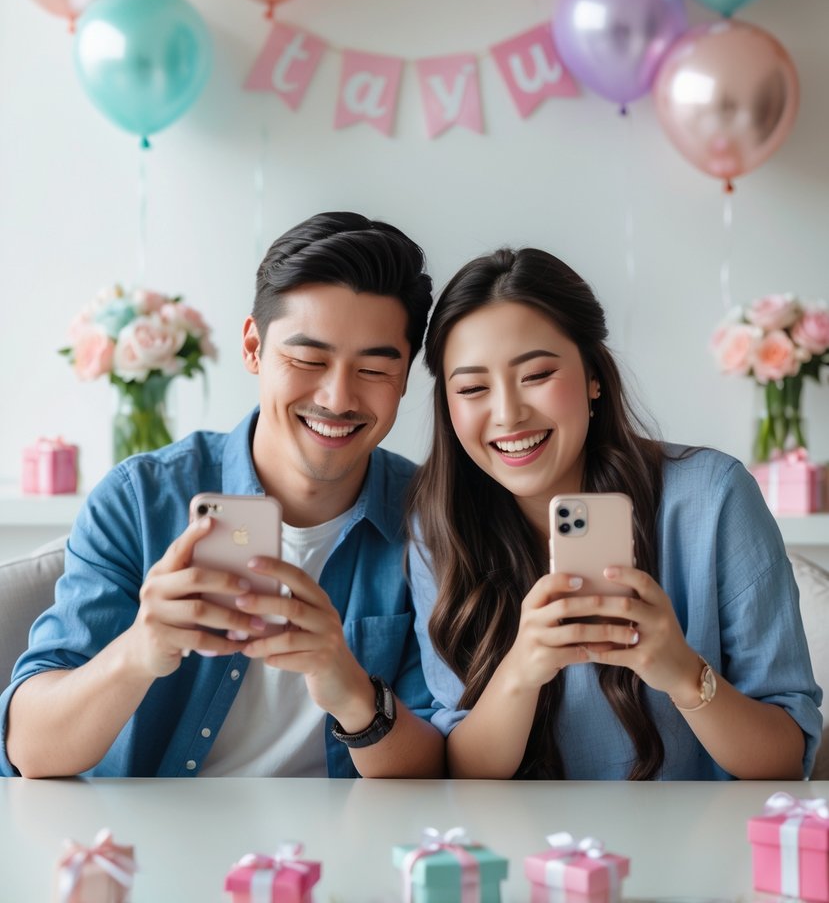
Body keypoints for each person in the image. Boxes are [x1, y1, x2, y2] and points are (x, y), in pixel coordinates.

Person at [1, 211, 444, 780]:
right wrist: (139, 650)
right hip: (149, 831)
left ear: (405, 378)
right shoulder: (140, 501)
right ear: (253, 347)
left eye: (374, 370)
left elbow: (439, 769)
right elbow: (30, 750)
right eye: (308, 360)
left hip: (338, 834)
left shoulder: (432, 521)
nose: (338, 398)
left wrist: (354, 693)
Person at [407, 246, 822, 781]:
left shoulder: (713, 497)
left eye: (536, 374)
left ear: (593, 376)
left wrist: (682, 672)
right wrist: (521, 672)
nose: (508, 414)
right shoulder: (438, 529)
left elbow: (785, 760)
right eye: (472, 388)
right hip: (524, 836)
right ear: (448, 406)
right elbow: (463, 778)